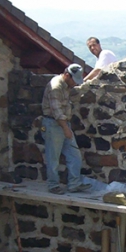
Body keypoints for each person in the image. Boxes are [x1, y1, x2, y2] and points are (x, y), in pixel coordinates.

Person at [42, 63, 88, 193]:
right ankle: (53, 185)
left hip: (63, 123)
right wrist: (66, 129)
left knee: (74, 155)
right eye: (74, 80)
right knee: (53, 157)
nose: (75, 84)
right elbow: (56, 111)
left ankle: (74, 184)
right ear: (67, 75)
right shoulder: (55, 86)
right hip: (53, 124)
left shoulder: (66, 84)